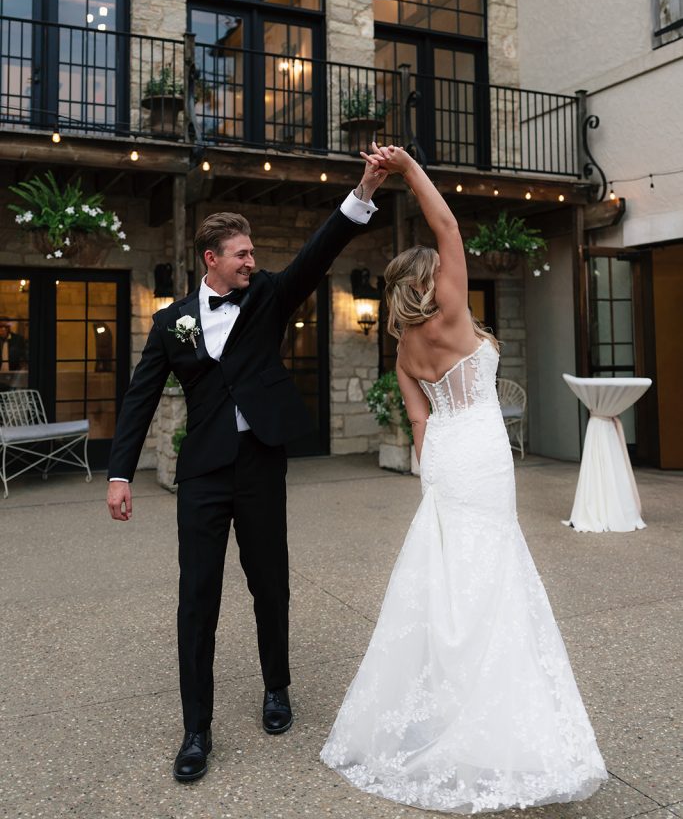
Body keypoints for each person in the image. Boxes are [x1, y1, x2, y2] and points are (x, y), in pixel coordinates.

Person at [321, 144, 607, 813]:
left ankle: (443, 688)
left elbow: (419, 427)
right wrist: (411, 169)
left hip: (445, 457)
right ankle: (486, 699)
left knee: (446, 572)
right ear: (430, 279)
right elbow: (447, 227)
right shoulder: (451, 311)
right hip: (479, 447)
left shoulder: (402, 349)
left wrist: (431, 477)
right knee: (493, 567)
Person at [106, 156, 385, 783]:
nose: (250, 260)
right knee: (196, 598)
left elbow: (316, 254)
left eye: (252, 252)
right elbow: (140, 397)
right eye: (240, 253)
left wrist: (362, 192)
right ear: (211, 258)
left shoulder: (267, 297)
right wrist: (119, 472)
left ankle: (276, 688)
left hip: (260, 463)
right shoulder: (168, 322)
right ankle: (196, 729)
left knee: (271, 583)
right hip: (202, 473)